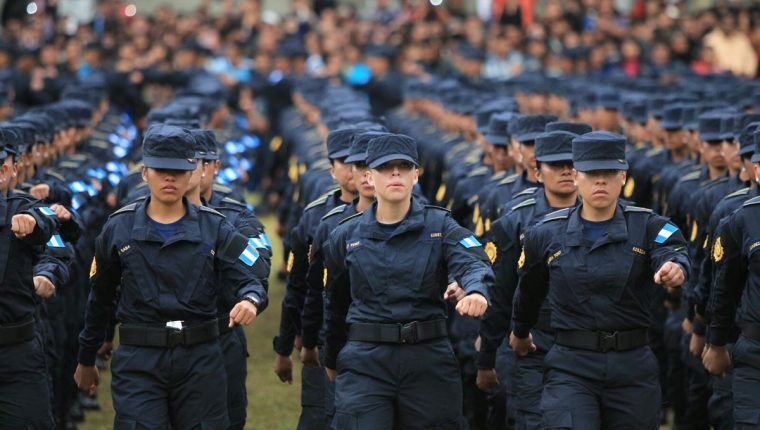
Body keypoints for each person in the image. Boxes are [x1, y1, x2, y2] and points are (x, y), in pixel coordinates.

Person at [74, 124, 269, 428]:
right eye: (160, 169)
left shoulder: (215, 228)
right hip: (140, 360)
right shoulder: (118, 229)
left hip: (200, 359)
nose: (169, 178)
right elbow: (100, 298)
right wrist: (87, 358)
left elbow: (247, 275)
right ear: (144, 173)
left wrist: (251, 299)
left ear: (191, 173)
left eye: (178, 171)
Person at [510, 131, 690, 429]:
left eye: (609, 173)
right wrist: (520, 331)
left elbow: (673, 251)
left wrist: (674, 268)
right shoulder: (546, 233)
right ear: (577, 176)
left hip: (631, 366)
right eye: (593, 173)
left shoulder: (648, 225)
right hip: (571, 365)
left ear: (623, 177)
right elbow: (529, 289)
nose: (601, 181)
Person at [323, 133, 494, 428]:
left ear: (416, 175)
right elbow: (335, 302)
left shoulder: (441, 226)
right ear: (368, 176)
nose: (395, 174)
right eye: (385, 168)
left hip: (427, 359)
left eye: (403, 167)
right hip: (366, 361)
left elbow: (473, 261)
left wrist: (476, 290)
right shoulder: (345, 236)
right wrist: (332, 356)